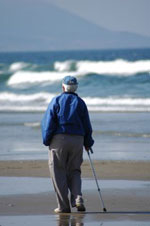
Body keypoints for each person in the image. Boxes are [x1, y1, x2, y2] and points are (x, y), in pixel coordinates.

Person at [41, 75, 94, 213]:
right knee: (74, 170)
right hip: (77, 140)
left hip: (60, 139)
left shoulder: (57, 100)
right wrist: (88, 142)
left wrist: (46, 140)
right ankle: (78, 198)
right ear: (76, 87)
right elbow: (87, 125)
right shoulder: (81, 102)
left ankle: (63, 207)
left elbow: (48, 123)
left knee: (58, 171)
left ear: (63, 87)